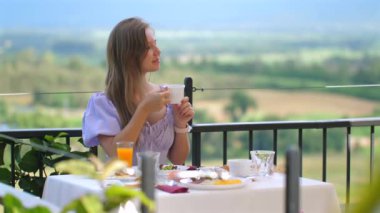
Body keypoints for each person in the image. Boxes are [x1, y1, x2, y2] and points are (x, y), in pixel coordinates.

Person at [82, 17, 194, 165]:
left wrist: (180, 125)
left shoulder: (165, 96)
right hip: (123, 187)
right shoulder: (105, 103)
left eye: (156, 44)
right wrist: (144, 109)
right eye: (148, 47)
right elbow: (117, 156)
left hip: (160, 187)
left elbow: (178, 160)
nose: (158, 51)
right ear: (129, 54)